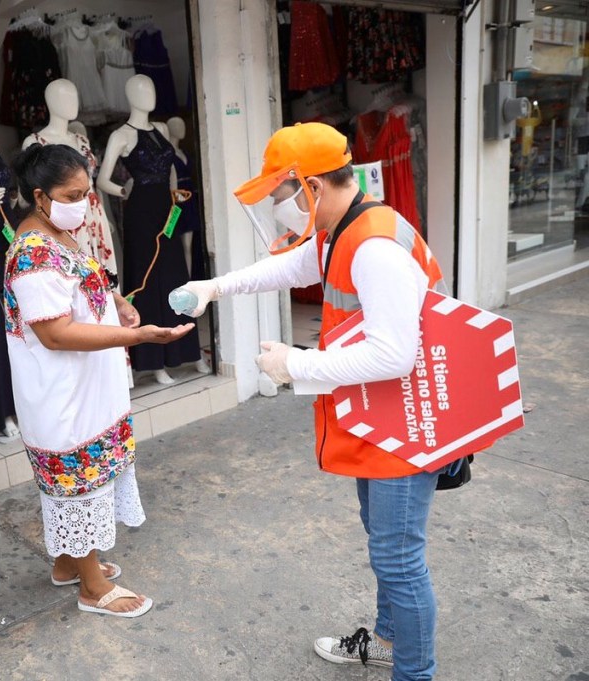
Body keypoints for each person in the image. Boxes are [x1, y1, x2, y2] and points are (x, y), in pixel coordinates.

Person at [176, 122, 451, 680]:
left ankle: (414, 672)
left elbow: (394, 355)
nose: (280, 208)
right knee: (386, 548)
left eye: (281, 194)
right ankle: (388, 640)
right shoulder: (341, 229)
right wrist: (215, 287)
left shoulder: (373, 247)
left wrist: (295, 363)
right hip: (380, 418)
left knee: (398, 560)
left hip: (404, 427)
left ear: (314, 187)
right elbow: (289, 266)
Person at [4, 144, 194, 618]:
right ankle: (92, 588)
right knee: (78, 484)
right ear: (39, 196)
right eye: (72, 195)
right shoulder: (31, 254)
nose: (83, 203)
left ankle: (68, 563)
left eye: (86, 192)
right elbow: (54, 333)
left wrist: (118, 303)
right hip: (63, 392)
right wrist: (137, 336)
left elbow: (88, 280)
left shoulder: (57, 234)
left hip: (87, 386)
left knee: (88, 478)